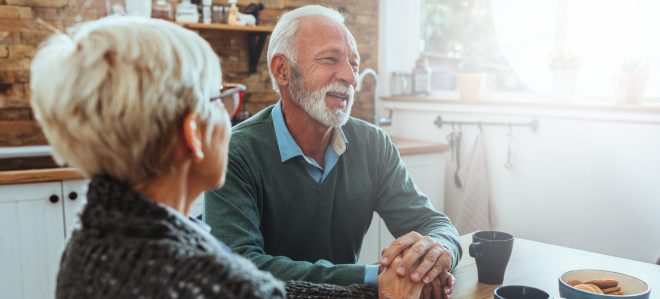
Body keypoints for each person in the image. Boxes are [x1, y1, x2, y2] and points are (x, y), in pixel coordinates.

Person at [30, 16, 422, 299]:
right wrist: (380, 289)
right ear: (191, 133)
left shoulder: (91, 239)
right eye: (221, 99)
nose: (233, 114)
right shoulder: (214, 283)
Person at [205, 5, 462, 297]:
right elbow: (238, 264)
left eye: (354, 64)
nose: (351, 78)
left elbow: (434, 223)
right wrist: (375, 276)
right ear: (282, 70)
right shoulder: (234, 151)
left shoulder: (374, 144)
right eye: (330, 59)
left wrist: (436, 254)